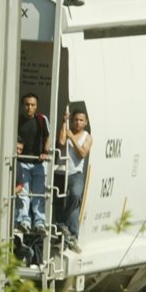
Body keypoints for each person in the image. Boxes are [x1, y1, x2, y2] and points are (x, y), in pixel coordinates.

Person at [16, 93, 51, 235]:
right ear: (22, 106)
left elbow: (47, 137)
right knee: (23, 194)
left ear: (36, 106)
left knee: (38, 193)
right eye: (26, 105)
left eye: (32, 105)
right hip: (22, 162)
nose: (29, 108)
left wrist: (45, 152)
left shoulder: (42, 120)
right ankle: (24, 221)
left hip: (38, 163)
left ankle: (39, 222)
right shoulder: (17, 120)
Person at [58, 107, 91, 249]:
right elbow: (60, 142)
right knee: (68, 204)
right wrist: (64, 122)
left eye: (81, 120)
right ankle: (71, 236)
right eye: (76, 120)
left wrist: (72, 138)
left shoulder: (87, 137)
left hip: (75, 173)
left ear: (85, 122)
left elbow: (82, 153)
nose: (78, 122)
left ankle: (62, 223)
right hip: (61, 171)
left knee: (76, 195)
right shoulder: (67, 130)